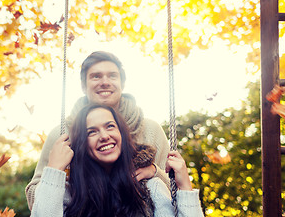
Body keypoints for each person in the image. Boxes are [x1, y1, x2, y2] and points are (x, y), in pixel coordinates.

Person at [26, 51, 171, 210]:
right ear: (83, 85)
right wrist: (59, 177)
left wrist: (155, 172)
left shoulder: (150, 130)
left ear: (122, 84)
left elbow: (175, 192)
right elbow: (35, 200)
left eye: (112, 76)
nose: (105, 82)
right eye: (96, 76)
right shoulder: (63, 134)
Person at [31, 104, 204, 217]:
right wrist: (54, 170)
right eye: (92, 132)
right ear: (82, 143)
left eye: (110, 126)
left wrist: (185, 188)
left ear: (122, 134)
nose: (104, 136)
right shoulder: (70, 193)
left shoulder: (150, 188)